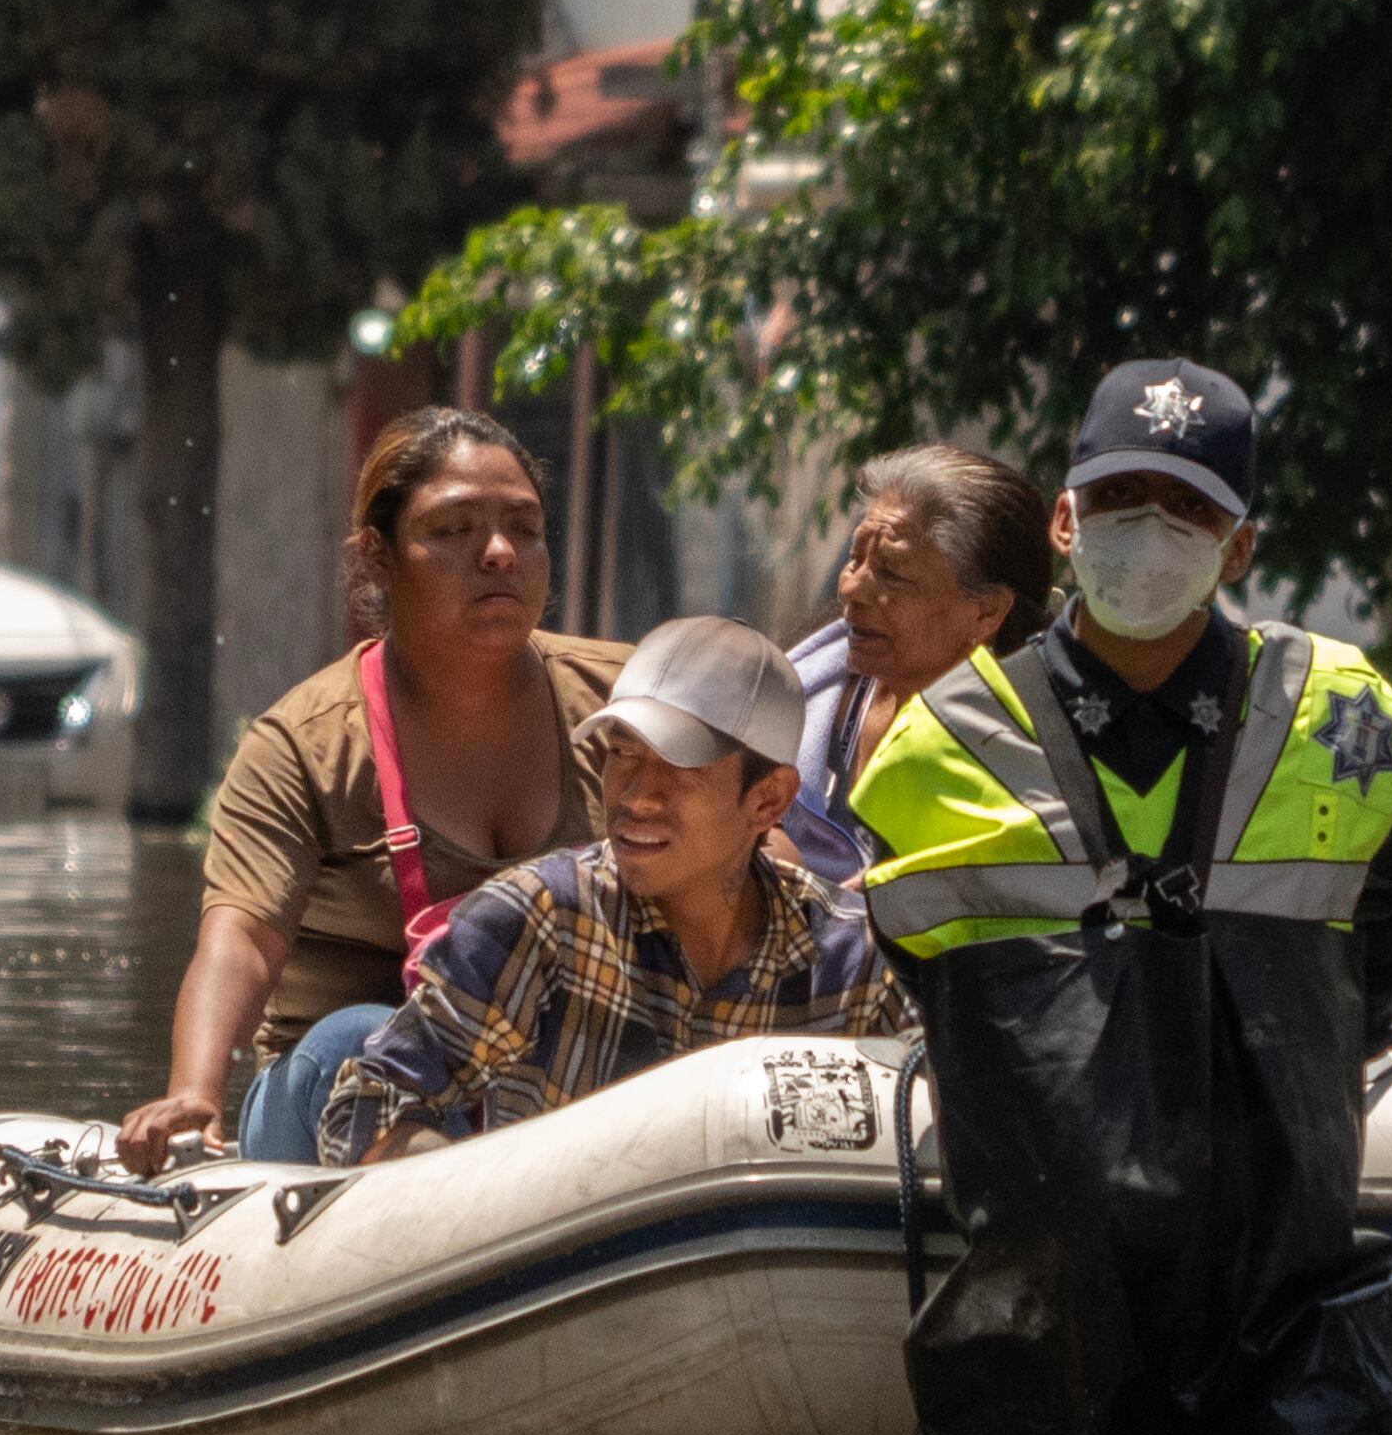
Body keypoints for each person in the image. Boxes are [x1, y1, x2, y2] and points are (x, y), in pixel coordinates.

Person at [850, 357, 1392, 1435]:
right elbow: (926, 983)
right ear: (1065, 520)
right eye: (1122, 501)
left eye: (1189, 509)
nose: (1149, 532)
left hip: (1296, 1358)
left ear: (1239, 550)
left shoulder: (1342, 725)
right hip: (1040, 1356)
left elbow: (1380, 944)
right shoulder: (942, 748)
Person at [122, 410, 626, 1174]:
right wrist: (194, 1091)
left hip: (561, 1089)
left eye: (524, 528)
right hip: (331, 1095)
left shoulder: (629, 705)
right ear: (377, 559)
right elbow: (241, 943)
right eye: (454, 530)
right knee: (359, 1039)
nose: (499, 554)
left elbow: (761, 858)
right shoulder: (302, 744)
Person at [315, 616, 913, 1162]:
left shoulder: (856, 965)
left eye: (681, 768)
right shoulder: (541, 917)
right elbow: (367, 1107)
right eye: (622, 754)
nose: (635, 797)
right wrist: (481, 1197)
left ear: (768, 800)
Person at [782, 446, 1052, 886]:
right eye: (855, 558)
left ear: (986, 612)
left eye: (892, 573)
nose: (852, 587)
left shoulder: (1033, 767)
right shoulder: (793, 706)